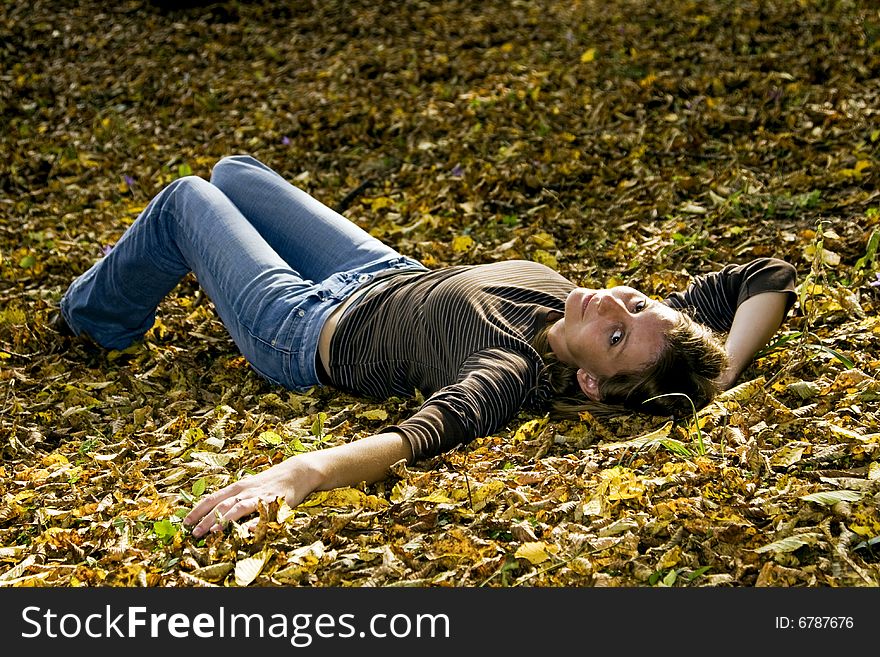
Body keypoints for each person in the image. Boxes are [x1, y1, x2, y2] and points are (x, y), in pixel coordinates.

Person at [56, 155, 798, 538]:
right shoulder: (651, 335)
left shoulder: (511, 370)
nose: (609, 301)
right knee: (236, 173)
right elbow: (767, 274)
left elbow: (418, 437)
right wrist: (722, 372)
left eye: (613, 333)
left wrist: (301, 472)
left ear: (593, 384)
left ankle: (92, 319)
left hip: (303, 325)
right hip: (382, 271)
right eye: (633, 303)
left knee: (190, 196)